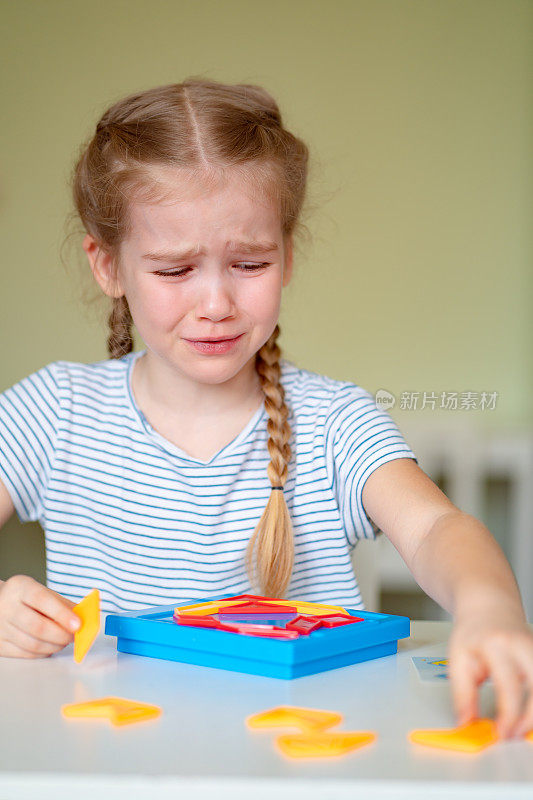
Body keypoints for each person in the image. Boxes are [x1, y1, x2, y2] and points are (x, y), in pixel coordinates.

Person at [0, 78, 531, 740]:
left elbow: (434, 531)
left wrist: (488, 607)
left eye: (248, 263)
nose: (216, 302)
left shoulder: (335, 422)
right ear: (107, 265)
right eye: (174, 271)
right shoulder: (53, 412)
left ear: (286, 257)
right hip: (112, 765)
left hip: (306, 762)